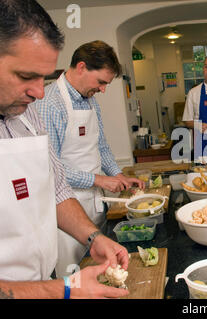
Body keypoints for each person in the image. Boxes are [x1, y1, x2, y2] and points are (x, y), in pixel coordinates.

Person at [0, 0, 129, 299]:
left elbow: (56, 187)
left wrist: (94, 237)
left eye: (42, 77)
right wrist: (64, 290)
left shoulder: (26, 114)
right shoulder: (47, 104)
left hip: (40, 278)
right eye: (25, 76)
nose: (39, 92)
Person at [32, 40, 144, 278]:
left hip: (95, 204)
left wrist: (116, 174)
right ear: (81, 67)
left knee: (102, 272)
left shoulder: (90, 100)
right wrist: (99, 180)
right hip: (66, 214)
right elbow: (50, 169)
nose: (103, 89)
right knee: (75, 279)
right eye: (101, 82)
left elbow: (101, 145)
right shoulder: (50, 103)